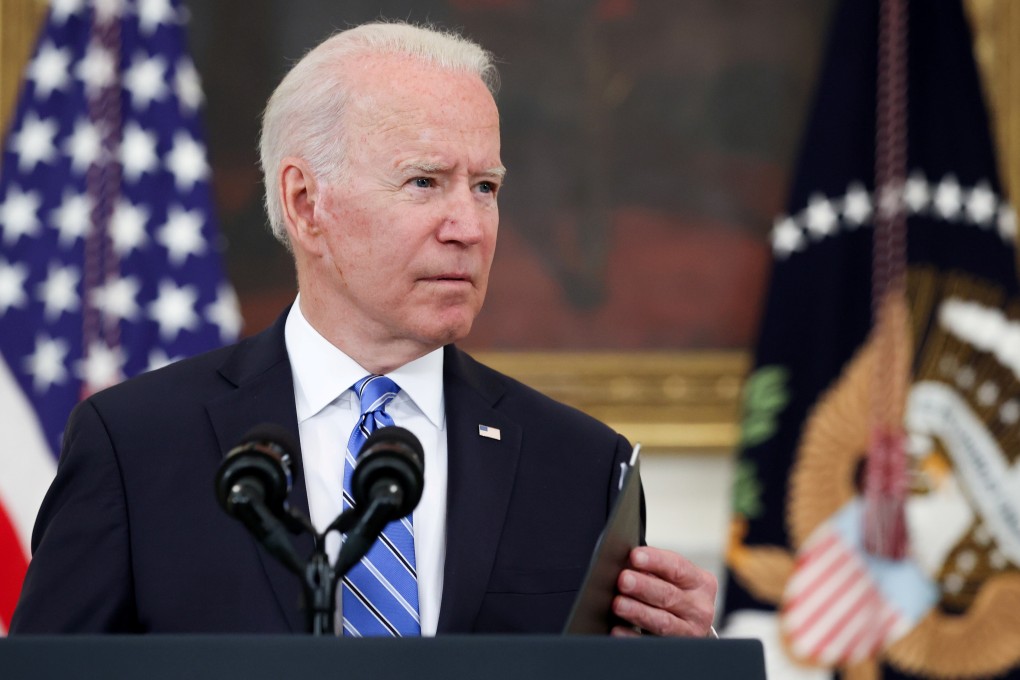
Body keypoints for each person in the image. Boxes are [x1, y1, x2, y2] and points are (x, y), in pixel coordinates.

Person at [11, 21, 716, 637]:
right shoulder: (135, 447)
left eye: (486, 187)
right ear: (305, 202)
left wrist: (680, 669)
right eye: (424, 183)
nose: (469, 228)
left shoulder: (582, 468)